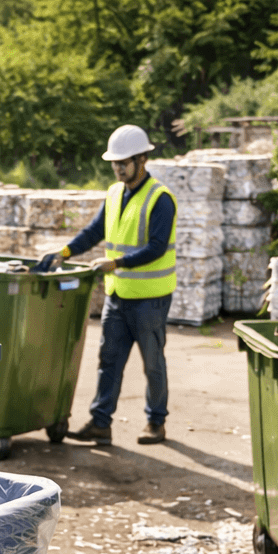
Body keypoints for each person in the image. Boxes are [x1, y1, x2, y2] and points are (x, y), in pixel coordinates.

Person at [45, 124, 177, 447]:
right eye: (114, 162)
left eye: (124, 161)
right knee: (109, 360)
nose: (118, 167)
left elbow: (157, 247)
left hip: (150, 299)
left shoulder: (161, 199)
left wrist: (115, 264)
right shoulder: (114, 193)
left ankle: (156, 423)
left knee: (153, 363)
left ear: (142, 159)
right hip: (118, 295)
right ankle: (101, 423)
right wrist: (64, 252)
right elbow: (94, 231)